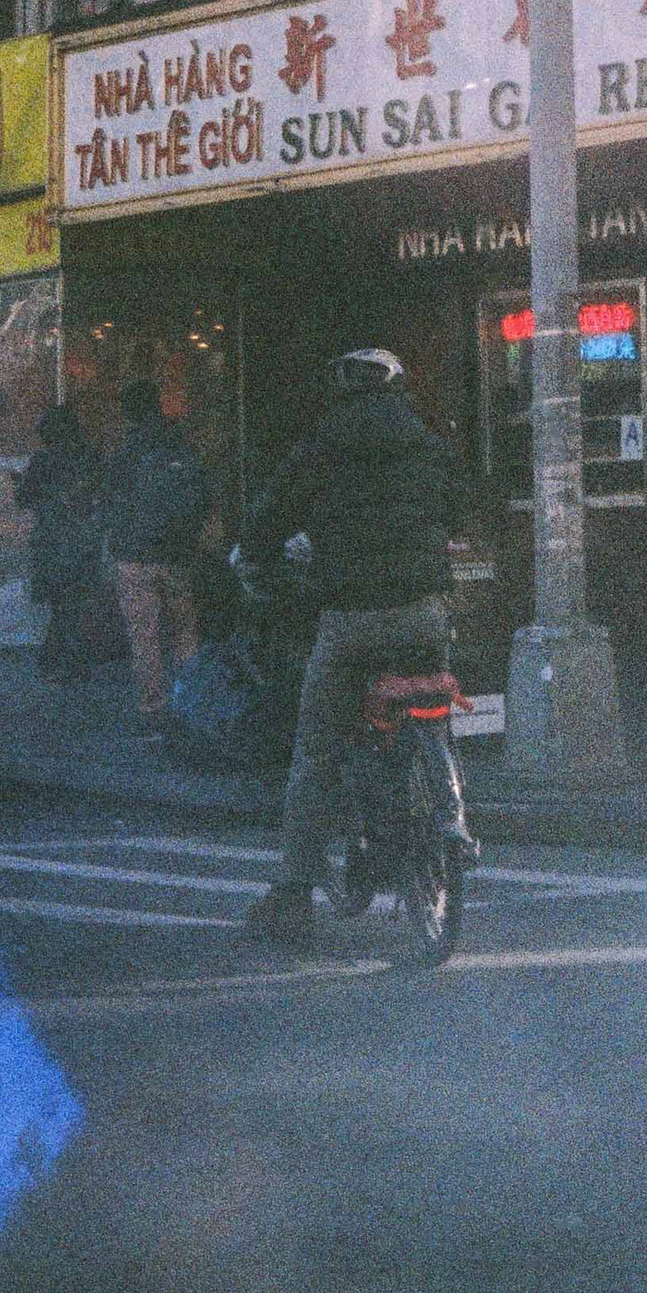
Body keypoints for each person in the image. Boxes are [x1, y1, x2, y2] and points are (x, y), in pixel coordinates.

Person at [239, 348, 468, 950]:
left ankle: (293, 893)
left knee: (316, 752)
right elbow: (462, 506)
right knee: (435, 714)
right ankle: (446, 803)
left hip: (350, 618)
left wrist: (258, 557)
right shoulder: (425, 444)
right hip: (422, 611)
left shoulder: (320, 448)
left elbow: (267, 520)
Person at [103, 378, 210, 735]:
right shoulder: (180, 445)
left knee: (144, 635)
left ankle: (154, 708)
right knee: (185, 632)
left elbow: (110, 500)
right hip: (177, 554)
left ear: (128, 410)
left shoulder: (126, 451)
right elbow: (201, 495)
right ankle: (192, 702)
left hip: (135, 554)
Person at [16, 400, 103, 681]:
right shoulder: (89, 457)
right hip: (81, 537)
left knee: (61, 604)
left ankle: (58, 660)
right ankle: (63, 660)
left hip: (52, 539)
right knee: (72, 604)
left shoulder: (43, 460)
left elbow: (23, 497)